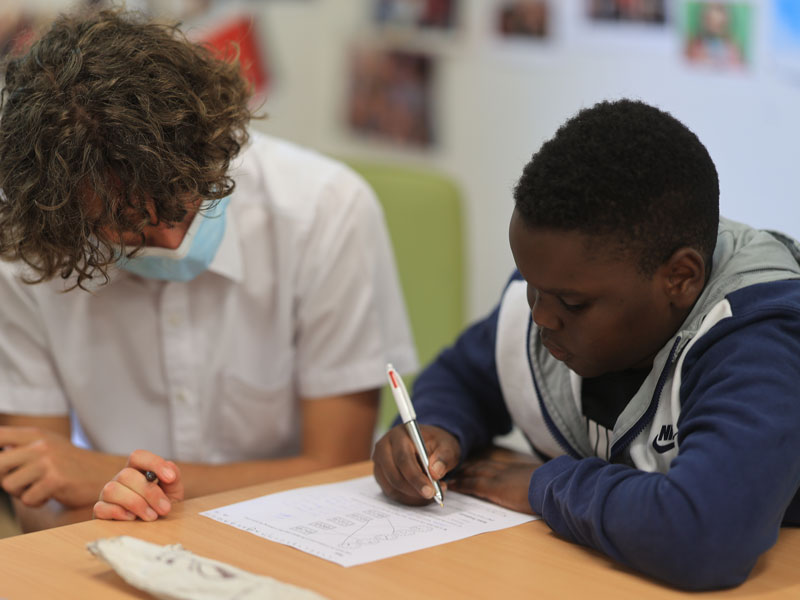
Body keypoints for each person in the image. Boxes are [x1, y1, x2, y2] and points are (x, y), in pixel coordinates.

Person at [0, 8, 417, 532]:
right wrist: (85, 491)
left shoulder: (325, 210)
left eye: (182, 203)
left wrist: (112, 477)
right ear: (66, 216)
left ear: (213, 151)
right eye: (128, 229)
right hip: (118, 550)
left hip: (299, 537)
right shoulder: (28, 247)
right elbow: (45, 504)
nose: (171, 240)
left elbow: (337, 471)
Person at [372, 99, 800, 590]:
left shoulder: (759, 333)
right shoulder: (565, 285)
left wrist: (546, 485)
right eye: (532, 284)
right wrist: (432, 432)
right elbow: (465, 376)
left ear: (679, 279)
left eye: (571, 304)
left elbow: (705, 533)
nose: (540, 316)